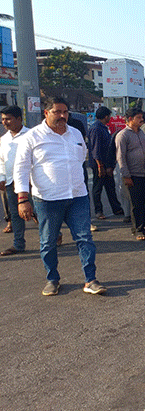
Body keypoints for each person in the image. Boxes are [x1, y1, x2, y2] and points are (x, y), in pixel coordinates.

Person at [14, 97, 106, 296]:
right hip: (47, 199)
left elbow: (81, 159)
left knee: (85, 239)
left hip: (77, 196)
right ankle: (52, 279)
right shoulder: (32, 137)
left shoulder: (75, 133)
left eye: (65, 112)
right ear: (46, 113)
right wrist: (22, 199)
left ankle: (90, 280)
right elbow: (21, 168)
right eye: (57, 112)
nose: (62, 116)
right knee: (48, 242)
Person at [116, 108, 145, 241]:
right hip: (132, 175)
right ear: (130, 119)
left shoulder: (141, 133)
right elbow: (121, 157)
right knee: (135, 204)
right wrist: (126, 176)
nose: (142, 120)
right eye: (138, 118)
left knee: (143, 202)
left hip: (144, 173)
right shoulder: (123, 135)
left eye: (142, 117)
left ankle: (142, 227)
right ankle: (137, 229)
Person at [0, 106, 30, 256]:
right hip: (11, 182)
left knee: (38, 212)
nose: (5, 122)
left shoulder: (31, 135)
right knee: (16, 213)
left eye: (8, 119)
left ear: (19, 119)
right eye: (3, 119)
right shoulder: (4, 139)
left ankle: (53, 236)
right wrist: (2, 178)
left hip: (30, 181)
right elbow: (1, 160)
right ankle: (18, 244)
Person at [88, 106, 124, 220]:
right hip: (99, 164)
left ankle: (116, 208)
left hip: (107, 163)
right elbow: (96, 149)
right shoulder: (96, 129)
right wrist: (100, 165)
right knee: (98, 188)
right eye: (109, 116)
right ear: (106, 116)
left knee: (110, 186)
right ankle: (98, 211)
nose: (110, 118)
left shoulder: (103, 127)